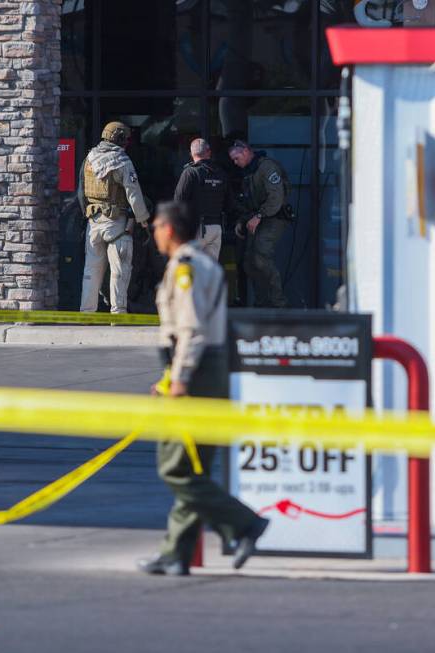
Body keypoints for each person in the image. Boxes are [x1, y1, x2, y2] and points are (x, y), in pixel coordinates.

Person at [137, 201, 269, 577]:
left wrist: (178, 379)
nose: (154, 233)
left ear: (170, 229)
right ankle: (176, 553)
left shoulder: (186, 269)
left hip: (195, 372)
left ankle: (245, 523)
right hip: (207, 369)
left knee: (175, 466)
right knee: (194, 466)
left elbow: (190, 331)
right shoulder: (202, 264)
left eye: (157, 226)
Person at [78, 121, 151, 314]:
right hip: (116, 224)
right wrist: (144, 221)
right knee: (120, 271)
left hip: (93, 224)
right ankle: (118, 313)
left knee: (91, 272)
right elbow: (133, 194)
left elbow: (81, 193)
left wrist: (86, 215)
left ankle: (87, 313)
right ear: (120, 140)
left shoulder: (89, 158)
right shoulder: (122, 161)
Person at [229, 140, 291, 308]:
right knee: (249, 263)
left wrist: (259, 216)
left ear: (246, 152)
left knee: (260, 257)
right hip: (259, 219)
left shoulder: (266, 168)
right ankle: (262, 303)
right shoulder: (249, 172)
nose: (235, 163)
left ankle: (279, 304)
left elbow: (276, 198)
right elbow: (249, 203)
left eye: (236, 158)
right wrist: (242, 221)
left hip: (274, 217)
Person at [173, 138, 231, 261]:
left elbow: (178, 201)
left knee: (191, 269)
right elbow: (229, 203)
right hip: (216, 227)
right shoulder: (221, 173)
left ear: (191, 154)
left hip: (196, 229)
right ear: (209, 152)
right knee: (210, 270)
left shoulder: (190, 173)